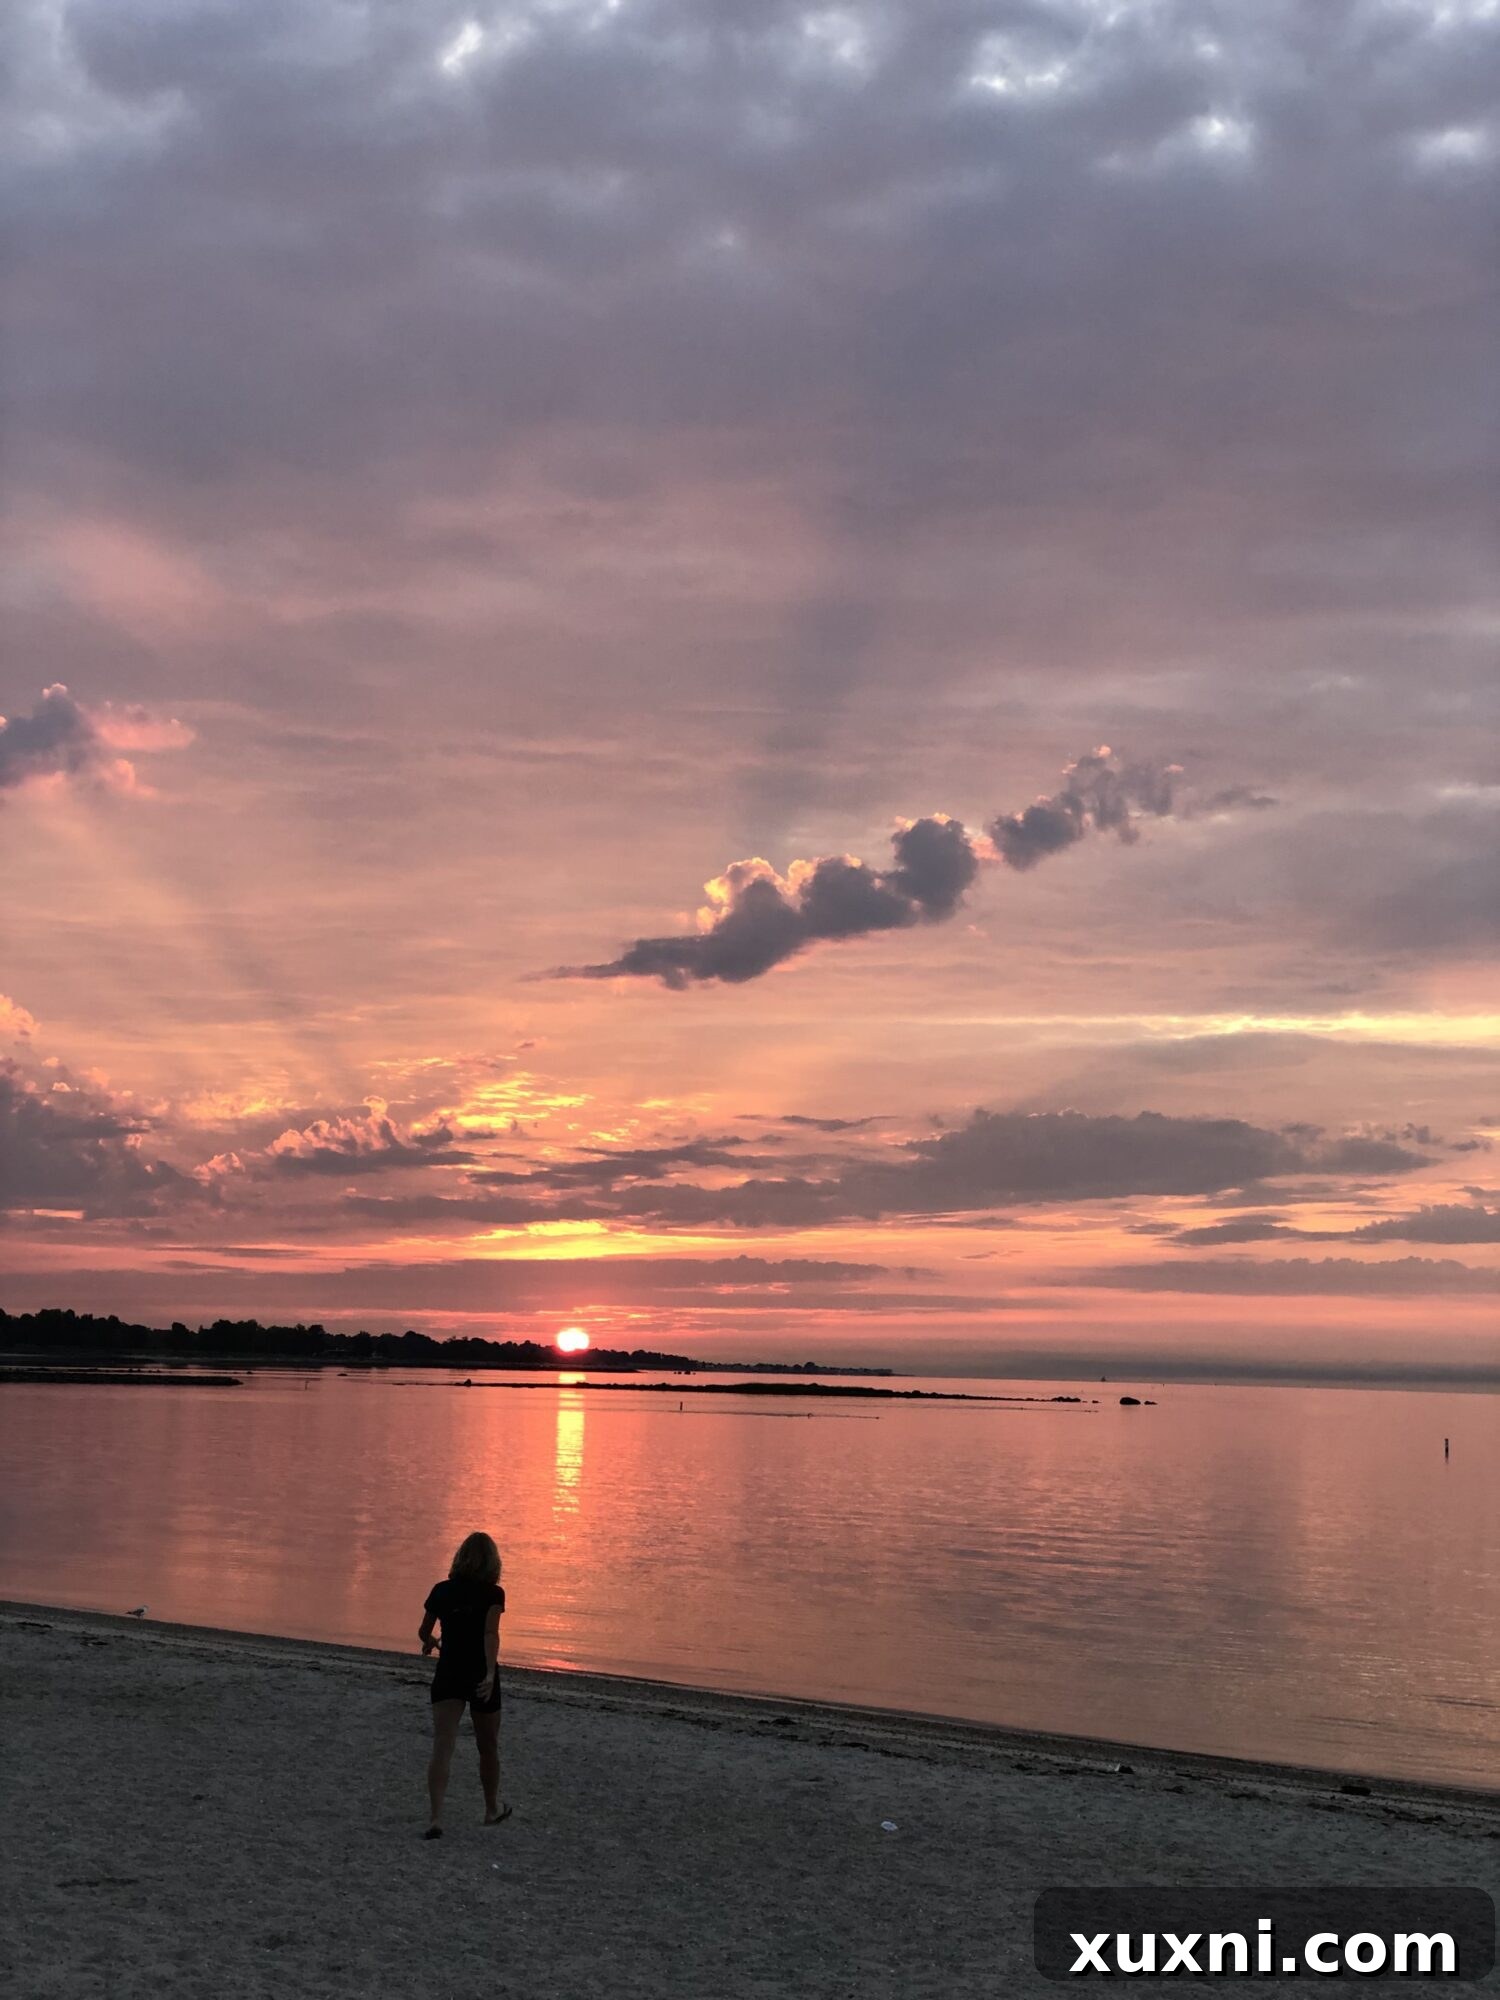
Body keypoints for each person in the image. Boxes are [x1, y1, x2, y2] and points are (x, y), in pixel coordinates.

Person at [417, 1530, 510, 1837]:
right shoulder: (493, 1595)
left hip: (449, 1671)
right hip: (479, 1673)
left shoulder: (441, 1591)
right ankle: (490, 1809)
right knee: (488, 1746)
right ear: (492, 1563)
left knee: (443, 1745)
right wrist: (489, 1675)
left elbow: (423, 1630)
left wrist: (431, 1641)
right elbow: (490, 1634)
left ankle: (435, 1817)